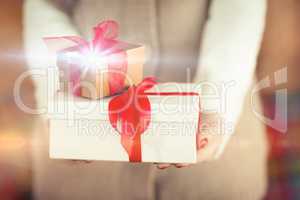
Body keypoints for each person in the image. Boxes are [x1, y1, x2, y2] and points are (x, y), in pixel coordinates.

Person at [24, 0, 268, 199]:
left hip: (212, 172)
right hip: (83, 178)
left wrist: (216, 103)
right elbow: (43, 4)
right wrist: (64, 102)